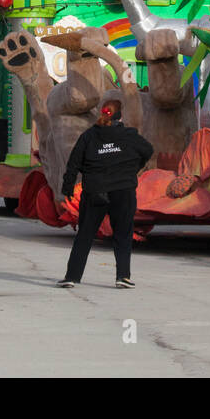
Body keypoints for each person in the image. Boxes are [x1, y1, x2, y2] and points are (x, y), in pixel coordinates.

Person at [57, 95, 153, 289]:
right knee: (123, 234)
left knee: (85, 234)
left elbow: (73, 163)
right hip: (123, 191)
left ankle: (72, 277)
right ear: (120, 116)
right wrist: (132, 168)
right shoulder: (129, 135)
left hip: (95, 191)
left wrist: (67, 187)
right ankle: (122, 277)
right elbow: (148, 151)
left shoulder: (89, 136)